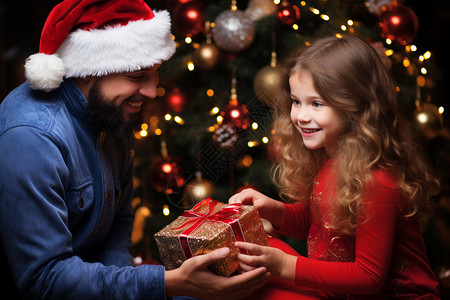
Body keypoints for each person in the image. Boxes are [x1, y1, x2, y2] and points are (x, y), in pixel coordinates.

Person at [0, 0, 269, 299]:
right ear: (88, 70)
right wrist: (163, 284)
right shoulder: (33, 137)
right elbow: (43, 280)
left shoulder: (107, 110)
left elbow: (118, 223)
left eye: (155, 73)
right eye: (136, 76)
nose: (152, 91)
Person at [229, 35, 441, 299]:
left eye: (316, 104)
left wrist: (283, 266)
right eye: (296, 102)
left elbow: (369, 277)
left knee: (265, 275)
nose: (301, 116)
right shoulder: (329, 156)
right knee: (251, 252)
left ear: (355, 107)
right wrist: (272, 209)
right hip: (339, 289)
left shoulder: (376, 181)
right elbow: (317, 225)